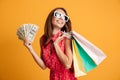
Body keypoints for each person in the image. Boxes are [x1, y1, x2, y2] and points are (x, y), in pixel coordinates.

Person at [24, 7, 77, 80]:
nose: (61, 18)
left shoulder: (66, 38)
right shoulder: (43, 39)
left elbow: (67, 65)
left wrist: (56, 45)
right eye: (58, 14)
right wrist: (30, 49)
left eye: (64, 17)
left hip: (67, 77)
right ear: (51, 17)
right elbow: (43, 66)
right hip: (53, 77)